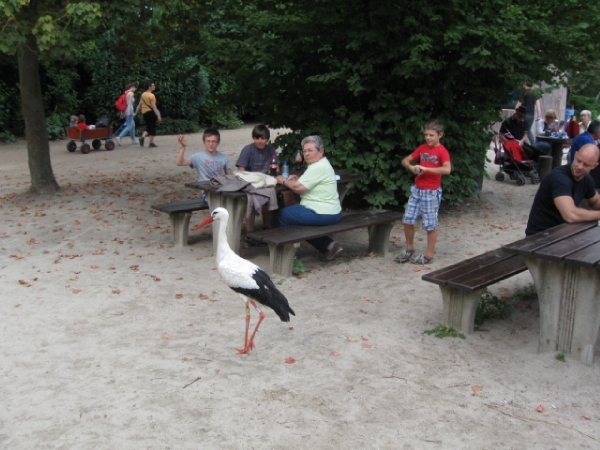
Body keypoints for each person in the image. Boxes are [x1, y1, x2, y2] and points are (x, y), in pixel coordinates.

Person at [274, 135, 343, 261]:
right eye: (304, 151)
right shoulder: (321, 164)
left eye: (310, 150)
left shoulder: (318, 167)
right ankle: (329, 245)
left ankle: (287, 255)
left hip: (323, 213)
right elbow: (306, 183)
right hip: (332, 211)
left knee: (283, 215)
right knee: (296, 218)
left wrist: (282, 180)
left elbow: (297, 188)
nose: (306, 154)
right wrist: (298, 179)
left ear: (320, 152)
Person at [396, 119, 451, 265]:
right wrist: (412, 168)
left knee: (430, 225)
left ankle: (428, 255)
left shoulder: (442, 151)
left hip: (431, 192)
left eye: (431, 135)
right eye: (426, 134)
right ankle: (409, 249)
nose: (428, 138)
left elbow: (447, 169)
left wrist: (427, 169)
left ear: (440, 135)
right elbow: (405, 161)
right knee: (407, 220)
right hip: (417, 191)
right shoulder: (422, 148)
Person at [525, 144, 600, 236]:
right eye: (578, 161)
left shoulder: (587, 180)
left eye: (586, 165)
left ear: (594, 166)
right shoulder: (559, 178)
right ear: (575, 155)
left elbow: (595, 201)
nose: (580, 167)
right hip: (540, 236)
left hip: (563, 231)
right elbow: (571, 215)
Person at [236, 124, 278, 246]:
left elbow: (276, 167)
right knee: (251, 198)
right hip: (250, 181)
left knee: (270, 194)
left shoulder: (270, 149)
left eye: (263, 138)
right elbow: (241, 170)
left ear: (267, 139)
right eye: (257, 138)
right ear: (254, 138)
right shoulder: (248, 150)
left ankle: (267, 226)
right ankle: (250, 232)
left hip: (265, 180)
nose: (260, 141)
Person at [136, 81, 162, 148]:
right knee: (152, 127)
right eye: (153, 85)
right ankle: (151, 143)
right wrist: (158, 115)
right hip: (151, 112)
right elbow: (153, 106)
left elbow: (139, 104)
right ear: (149, 87)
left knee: (148, 126)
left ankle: (142, 137)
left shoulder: (143, 94)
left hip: (144, 112)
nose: (154, 86)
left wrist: (136, 112)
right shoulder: (151, 95)